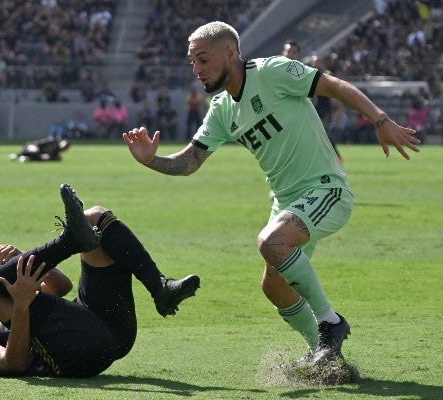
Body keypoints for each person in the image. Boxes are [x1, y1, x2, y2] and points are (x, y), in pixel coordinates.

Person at [123, 21, 420, 365]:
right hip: (287, 203)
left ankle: (331, 323)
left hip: (326, 189)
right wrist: (150, 160)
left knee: (271, 242)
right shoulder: (222, 108)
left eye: (203, 60)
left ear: (230, 53)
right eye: (192, 62)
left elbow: (334, 86)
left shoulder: (274, 72)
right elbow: (190, 161)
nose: (196, 70)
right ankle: (324, 356)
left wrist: (381, 121)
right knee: (273, 286)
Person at [0, 184, 200, 377]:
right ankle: (70, 240)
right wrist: (20, 305)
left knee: (95, 217)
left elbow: (61, 287)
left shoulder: (3, 291)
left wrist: (22, 259)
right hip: (74, 357)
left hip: (111, 328)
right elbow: (14, 363)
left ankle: (160, 288)